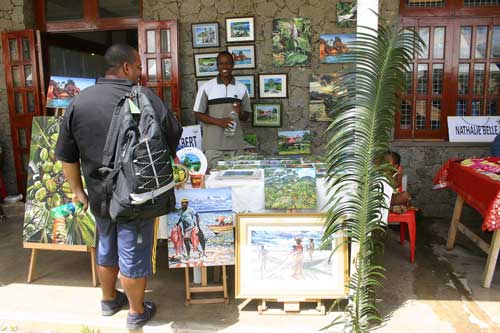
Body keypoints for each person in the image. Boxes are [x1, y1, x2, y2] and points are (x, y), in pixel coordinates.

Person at [54, 44, 182, 330]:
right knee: (134, 249)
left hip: (98, 194)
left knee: (106, 246)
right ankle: (137, 311)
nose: (140, 73)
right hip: (136, 192)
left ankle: (109, 300)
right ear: (126, 67)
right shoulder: (144, 97)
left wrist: (78, 191)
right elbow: (172, 134)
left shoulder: (79, 102)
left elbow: (66, 155)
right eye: (138, 67)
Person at [193, 51, 251, 169]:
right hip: (213, 146)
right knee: (214, 183)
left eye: (228, 63)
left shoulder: (242, 88)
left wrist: (240, 112)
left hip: (236, 145)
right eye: (220, 64)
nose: (224, 67)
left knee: (237, 181)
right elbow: (198, 115)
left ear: (233, 64)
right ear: (217, 66)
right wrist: (220, 122)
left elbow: (246, 117)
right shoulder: (206, 87)